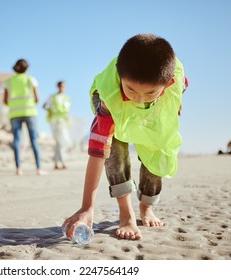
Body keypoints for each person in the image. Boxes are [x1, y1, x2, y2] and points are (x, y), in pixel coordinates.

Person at [62, 34, 189, 240]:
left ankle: (146, 207)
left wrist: (175, 104)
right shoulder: (109, 98)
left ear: (167, 84)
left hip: (157, 106)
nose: (138, 98)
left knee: (158, 149)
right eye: (131, 89)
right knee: (115, 149)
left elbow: (181, 87)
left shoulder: (176, 80)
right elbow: (97, 152)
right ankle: (125, 212)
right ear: (121, 78)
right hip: (113, 103)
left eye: (148, 93)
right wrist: (87, 207)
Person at [3, 58, 46, 176]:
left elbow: (5, 100)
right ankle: (38, 168)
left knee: (16, 141)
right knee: (33, 141)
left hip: (14, 113)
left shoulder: (9, 81)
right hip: (30, 112)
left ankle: (18, 169)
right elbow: (37, 98)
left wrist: (14, 105)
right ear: (27, 68)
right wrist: (30, 104)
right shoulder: (30, 79)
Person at [43, 81, 71, 169]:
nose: (61, 88)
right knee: (59, 142)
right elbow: (44, 106)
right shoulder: (53, 97)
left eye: (63, 86)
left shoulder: (67, 98)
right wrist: (50, 111)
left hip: (63, 122)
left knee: (61, 142)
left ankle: (57, 162)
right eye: (60, 86)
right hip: (55, 121)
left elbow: (67, 111)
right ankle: (61, 162)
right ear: (57, 87)